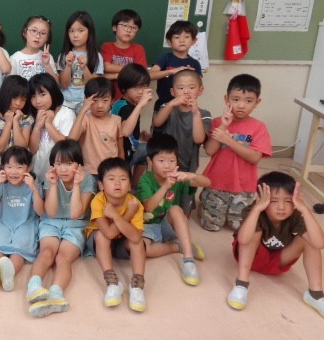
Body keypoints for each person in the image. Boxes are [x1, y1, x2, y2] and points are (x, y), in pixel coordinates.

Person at [226, 172, 324, 318]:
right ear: (261, 198)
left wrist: (305, 209)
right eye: (273, 201)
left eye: (288, 201)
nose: (281, 207)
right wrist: (257, 208)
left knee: (309, 238)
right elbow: (244, 240)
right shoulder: (254, 210)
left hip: (278, 262)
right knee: (253, 232)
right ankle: (241, 284)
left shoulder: (296, 215)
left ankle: (315, 294)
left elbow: (319, 243)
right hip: (252, 259)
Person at [27, 140, 96, 318]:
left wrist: (77, 185)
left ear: (79, 164)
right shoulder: (50, 178)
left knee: (62, 258)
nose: (63, 169)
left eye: (69, 163)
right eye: (58, 164)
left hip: (76, 224)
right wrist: (52, 185)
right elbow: (50, 212)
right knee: (46, 253)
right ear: (53, 166)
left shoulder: (87, 179)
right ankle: (34, 287)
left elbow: (76, 213)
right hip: (51, 221)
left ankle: (56, 294)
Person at [199, 74, 271, 232]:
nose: (241, 105)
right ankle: (207, 203)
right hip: (216, 184)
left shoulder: (259, 127)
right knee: (211, 226)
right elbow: (210, 150)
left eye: (249, 101)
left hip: (244, 188)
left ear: (257, 102)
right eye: (236, 99)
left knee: (238, 227)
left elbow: (254, 158)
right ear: (227, 99)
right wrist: (224, 126)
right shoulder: (217, 122)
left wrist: (229, 140)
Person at [137, 134, 210, 286]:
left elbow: (207, 182)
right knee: (142, 250)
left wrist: (191, 175)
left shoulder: (178, 177)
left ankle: (188, 261)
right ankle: (179, 246)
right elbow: (149, 207)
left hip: (169, 224)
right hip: (149, 226)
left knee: (176, 209)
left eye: (172, 161)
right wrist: (165, 186)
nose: (167, 166)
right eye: (161, 161)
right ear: (150, 161)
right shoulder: (145, 180)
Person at [85, 157, 146, 312]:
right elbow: (109, 234)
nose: (117, 183)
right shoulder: (98, 201)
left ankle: (137, 285)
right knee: (101, 236)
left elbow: (136, 237)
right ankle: (112, 283)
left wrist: (116, 216)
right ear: (101, 185)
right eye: (111, 179)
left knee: (138, 242)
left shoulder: (134, 204)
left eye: (123, 179)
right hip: (100, 244)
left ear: (130, 185)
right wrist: (125, 215)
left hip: (122, 243)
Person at [0, 147, 44, 292]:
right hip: (5, 223)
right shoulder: (2, 185)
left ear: (28, 167)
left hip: (26, 224)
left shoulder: (34, 185)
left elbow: (41, 211)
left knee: (18, 252)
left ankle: (9, 275)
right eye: (9, 167)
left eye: (19, 167)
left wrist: (34, 189)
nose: (13, 172)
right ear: (3, 167)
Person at [152, 69, 212, 213]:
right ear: (172, 92)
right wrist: (171, 104)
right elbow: (157, 122)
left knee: (184, 206)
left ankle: (185, 209)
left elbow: (199, 139)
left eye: (191, 87)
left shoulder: (204, 114)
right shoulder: (167, 108)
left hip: (188, 165)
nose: (186, 92)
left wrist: (195, 113)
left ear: (200, 90)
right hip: (164, 164)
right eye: (180, 88)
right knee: (162, 202)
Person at [69, 77, 123, 179]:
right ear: (87, 100)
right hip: (89, 172)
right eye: (95, 100)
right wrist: (83, 110)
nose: (100, 105)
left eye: (105, 100)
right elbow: (71, 140)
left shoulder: (116, 120)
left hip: (111, 171)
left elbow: (120, 150)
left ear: (112, 101)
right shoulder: (85, 119)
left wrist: (121, 170)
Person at [28, 73, 75, 185]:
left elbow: (66, 146)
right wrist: (37, 126)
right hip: (38, 174)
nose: (38, 101)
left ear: (53, 92)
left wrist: (49, 125)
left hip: (58, 176)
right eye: (33, 96)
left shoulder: (66, 114)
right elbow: (32, 150)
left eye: (42, 94)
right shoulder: (34, 115)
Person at [111, 63, 153, 187]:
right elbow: (125, 132)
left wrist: (139, 135)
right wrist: (140, 105)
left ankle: (135, 186)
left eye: (144, 87)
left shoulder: (124, 102)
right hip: (120, 154)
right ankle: (130, 186)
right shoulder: (125, 107)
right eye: (136, 87)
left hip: (128, 148)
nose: (141, 92)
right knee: (122, 182)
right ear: (124, 88)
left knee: (146, 149)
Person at [57, 11, 104, 113]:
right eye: (71, 31)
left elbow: (95, 87)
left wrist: (84, 67)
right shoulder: (64, 56)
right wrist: (68, 65)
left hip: (87, 102)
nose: (75, 35)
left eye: (80, 30)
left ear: (89, 32)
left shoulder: (96, 56)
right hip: (66, 102)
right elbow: (64, 85)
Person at [149, 20, 202, 111]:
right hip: (163, 105)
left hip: (186, 106)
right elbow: (150, 75)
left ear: (193, 41)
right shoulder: (165, 58)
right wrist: (171, 71)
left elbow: (198, 86)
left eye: (186, 37)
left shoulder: (195, 63)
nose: (182, 40)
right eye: (177, 37)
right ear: (169, 42)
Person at [0, 75, 34, 170]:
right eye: (14, 98)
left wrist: (15, 122)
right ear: (5, 95)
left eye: (23, 99)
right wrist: (8, 122)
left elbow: (21, 147)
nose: (18, 103)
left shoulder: (27, 119)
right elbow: (0, 148)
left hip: (16, 173)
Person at [101, 9, 147, 103]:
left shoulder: (138, 49)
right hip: (108, 98)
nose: (129, 30)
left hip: (131, 100)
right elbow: (106, 67)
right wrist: (128, 72)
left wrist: (115, 75)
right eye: (125, 26)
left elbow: (140, 73)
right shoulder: (107, 46)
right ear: (114, 27)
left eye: (134, 27)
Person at [9, 15, 58, 81]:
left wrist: (47, 64)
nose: (38, 36)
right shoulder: (15, 58)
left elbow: (56, 83)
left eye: (43, 33)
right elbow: (11, 84)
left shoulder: (48, 57)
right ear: (25, 32)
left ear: (47, 38)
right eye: (34, 31)